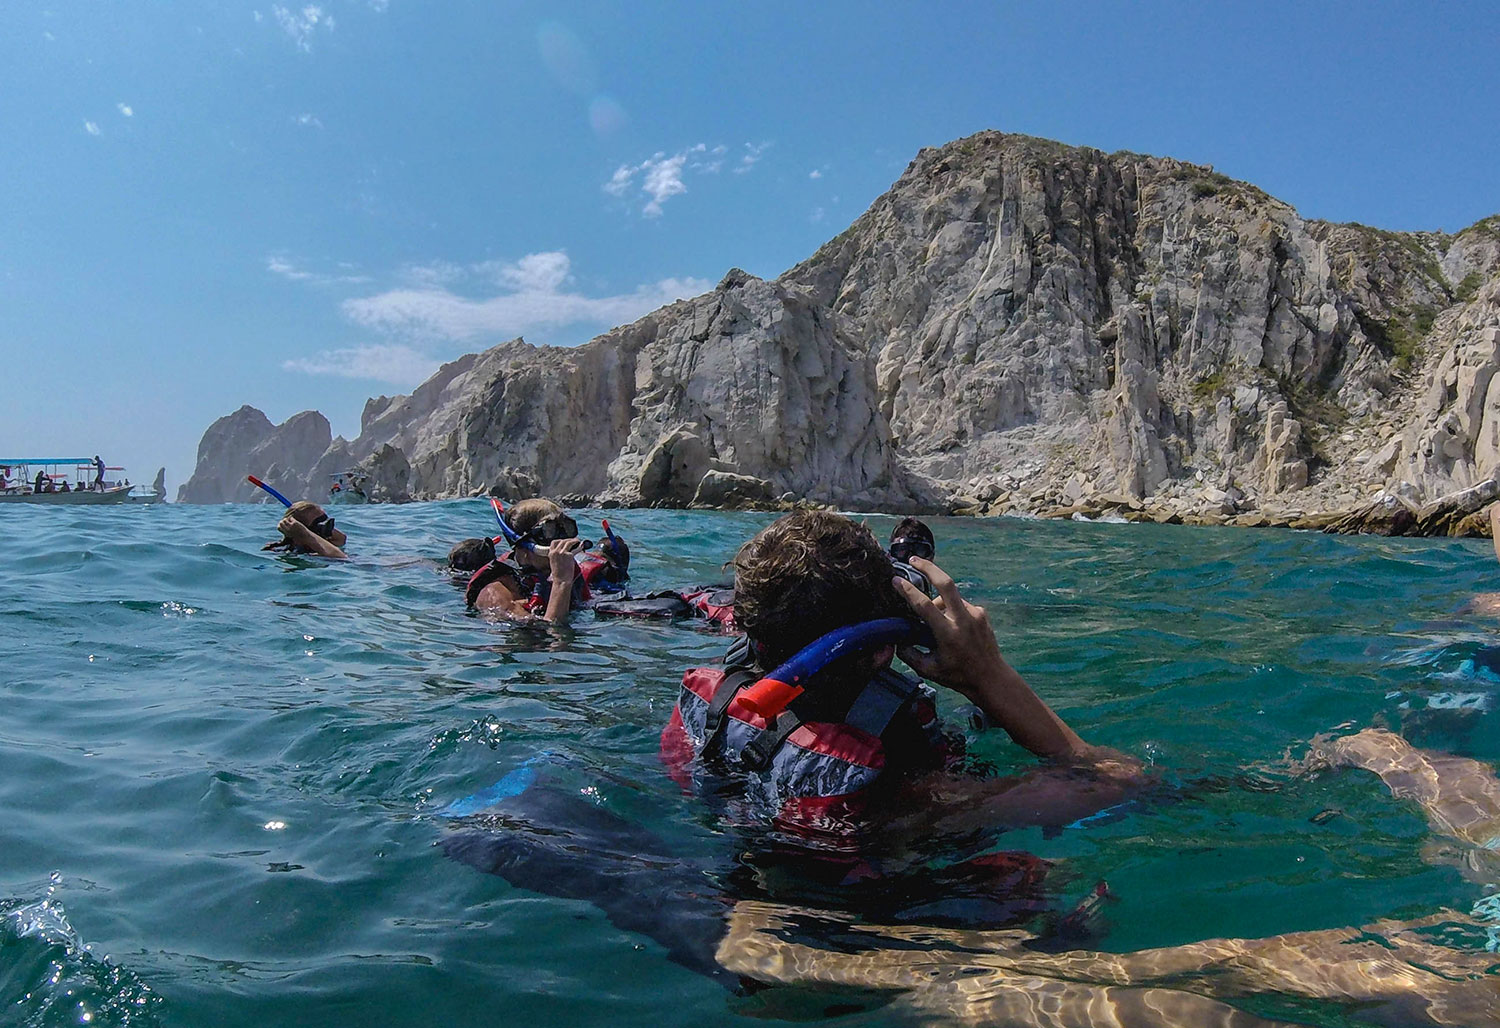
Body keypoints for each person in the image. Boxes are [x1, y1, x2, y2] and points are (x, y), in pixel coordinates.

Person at [661, 510, 1142, 843]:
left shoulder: (712, 710)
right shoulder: (895, 799)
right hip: (886, 948)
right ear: (881, 648)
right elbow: (1119, 781)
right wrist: (987, 676)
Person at [464, 499, 594, 623]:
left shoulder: (556, 571)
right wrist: (561, 583)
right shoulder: (497, 595)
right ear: (523, 547)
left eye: (566, 529)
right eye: (550, 531)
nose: (562, 542)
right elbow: (553, 636)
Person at [262, 500, 347, 559]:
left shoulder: (327, 545)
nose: (326, 527)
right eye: (319, 524)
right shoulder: (308, 553)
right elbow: (340, 558)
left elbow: (342, 538)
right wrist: (304, 535)